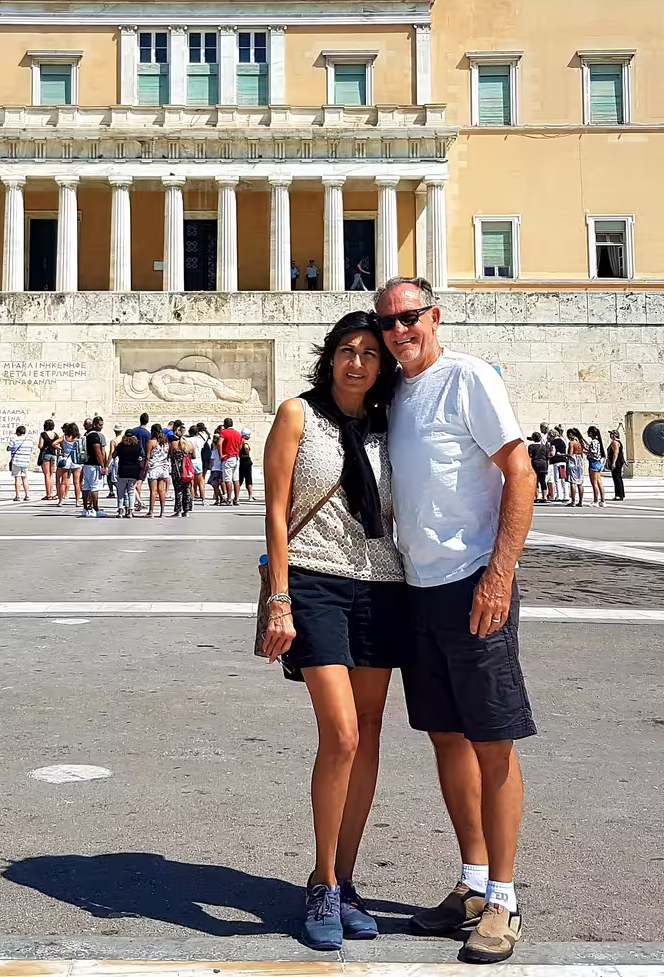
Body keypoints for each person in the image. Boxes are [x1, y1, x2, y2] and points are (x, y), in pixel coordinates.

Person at [374, 277, 535, 963]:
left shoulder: (466, 376)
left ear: (434, 316)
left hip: (475, 583)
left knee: (493, 740)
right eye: (389, 322)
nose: (400, 330)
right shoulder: (397, 394)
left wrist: (499, 573)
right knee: (446, 738)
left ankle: (503, 897)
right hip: (419, 588)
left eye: (411, 317)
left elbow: (520, 472)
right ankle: (471, 882)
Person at [261, 310, 409, 951]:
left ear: (383, 365)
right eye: (347, 350)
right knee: (342, 735)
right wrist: (279, 598)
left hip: (381, 583)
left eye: (371, 353)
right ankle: (321, 880)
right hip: (316, 582)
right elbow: (274, 508)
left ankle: (347, 880)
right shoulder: (298, 414)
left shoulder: (390, 425)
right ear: (329, 357)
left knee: (370, 735)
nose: (358, 362)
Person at [113, 425, 144, 517]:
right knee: (131, 491)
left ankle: (120, 510)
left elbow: (114, 455)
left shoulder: (121, 446)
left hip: (123, 471)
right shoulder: (137, 447)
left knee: (121, 492)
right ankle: (130, 511)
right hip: (134, 471)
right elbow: (141, 456)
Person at [219, 418, 245, 506]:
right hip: (236, 457)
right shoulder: (238, 433)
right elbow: (241, 444)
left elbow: (219, 443)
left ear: (225, 424)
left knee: (228, 479)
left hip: (228, 457)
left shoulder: (224, 433)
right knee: (236, 479)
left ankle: (229, 499)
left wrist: (221, 454)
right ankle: (237, 499)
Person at [7, 424, 34, 501]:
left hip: (16, 460)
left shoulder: (15, 439)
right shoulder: (29, 440)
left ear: (18, 432)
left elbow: (8, 448)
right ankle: (27, 495)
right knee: (25, 478)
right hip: (25, 461)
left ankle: (18, 495)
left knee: (17, 478)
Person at [584, 426, 607, 507]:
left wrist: (586, 452)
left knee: (594, 483)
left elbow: (593, 453)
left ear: (591, 433)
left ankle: (595, 500)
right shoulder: (597, 441)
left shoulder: (593, 442)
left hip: (593, 462)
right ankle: (603, 500)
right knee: (599, 482)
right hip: (598, 462)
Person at [38, 420, 60, 503]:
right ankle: (52, 492)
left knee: (47, 474)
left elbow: (40, 446)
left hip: (46, 454)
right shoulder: (55, 435)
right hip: (53, 455)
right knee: (51, 475)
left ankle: (48, 494)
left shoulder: (43, 434)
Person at [605, 425, 626, 501]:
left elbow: (616, 452)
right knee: (618, 478)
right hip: (619, 462)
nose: (610, 435)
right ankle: (620, 494)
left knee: (616, 478)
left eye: (611, 434)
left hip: (617, 463)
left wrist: (613, 462)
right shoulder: (617, 442)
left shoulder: (615, 442)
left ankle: (619, 494)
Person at [237, 430, 256, 501]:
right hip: (246, 461)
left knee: (240, 479)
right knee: (248, 479)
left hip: (241, 461)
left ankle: (237, 496)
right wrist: (248, 455)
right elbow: (246, 448)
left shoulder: (239, 441)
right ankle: (250, 495)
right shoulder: (244, 442)